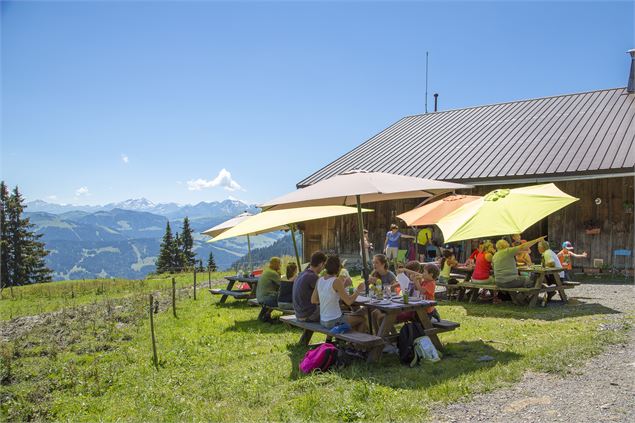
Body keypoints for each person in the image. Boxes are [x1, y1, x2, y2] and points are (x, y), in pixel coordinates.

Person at [311, 255, 367, 332]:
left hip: (323, 320)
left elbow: (313, 300)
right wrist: (358, 290)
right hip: (334, 320)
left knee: (352, 316)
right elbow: (349, 301)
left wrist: (328, 299)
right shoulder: (336, 281)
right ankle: (358, 344)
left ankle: (350, 342)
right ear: (338, 268)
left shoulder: (320, 280)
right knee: (361, 319)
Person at [292, 251, 327, 322]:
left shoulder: (301, 274)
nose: (324, 268)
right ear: (320, 264)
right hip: (308, 315)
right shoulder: (313, 277)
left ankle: (307, 333)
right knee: (334, 310)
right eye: (324, 265)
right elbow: (325, 295)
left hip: (298, 313)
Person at [256, 257, 282, 321]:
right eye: (279, 263)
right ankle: (286, 318)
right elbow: (283, 285)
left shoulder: (267, 271)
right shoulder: (273, 273)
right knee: (285, 299)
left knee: (279, 295)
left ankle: (266, 314)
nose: (280, 265)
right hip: (266, 299)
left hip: (260, 297)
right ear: (275, 264)